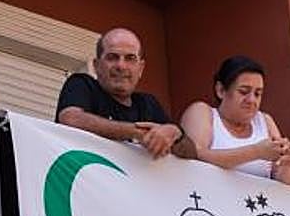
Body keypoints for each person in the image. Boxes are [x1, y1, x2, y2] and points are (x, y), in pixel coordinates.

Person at [56, 28, 195, 159]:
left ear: (141, 69)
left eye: (130, 58)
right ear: (96, 66)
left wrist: (175, 133)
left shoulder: (148, 104)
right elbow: (70, 118)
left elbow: (191, 154)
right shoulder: (83, 84)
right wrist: (137, 132)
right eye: (112, 57)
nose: (121, 66)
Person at [179, 55, 290, 185]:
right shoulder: (203, 112)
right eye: (243, 92)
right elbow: (195, 156)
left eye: (257, 94)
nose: (251, 100)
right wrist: (256, 152)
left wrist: (287, 163)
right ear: (221, 90)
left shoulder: (264, 121)